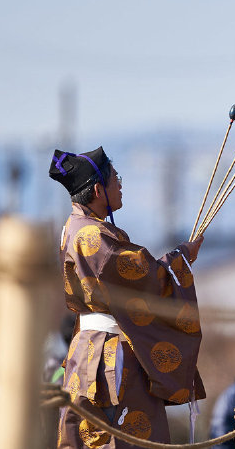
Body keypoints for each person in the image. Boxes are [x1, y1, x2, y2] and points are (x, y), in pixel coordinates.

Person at [49, 147, 205, 448]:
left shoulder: (75, 227)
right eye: (115, 178)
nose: (120, 184)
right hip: (110, 354)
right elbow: (147, 278)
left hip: (89, 348)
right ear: (97, 189)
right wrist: (182, 257)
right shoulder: (93, 236)